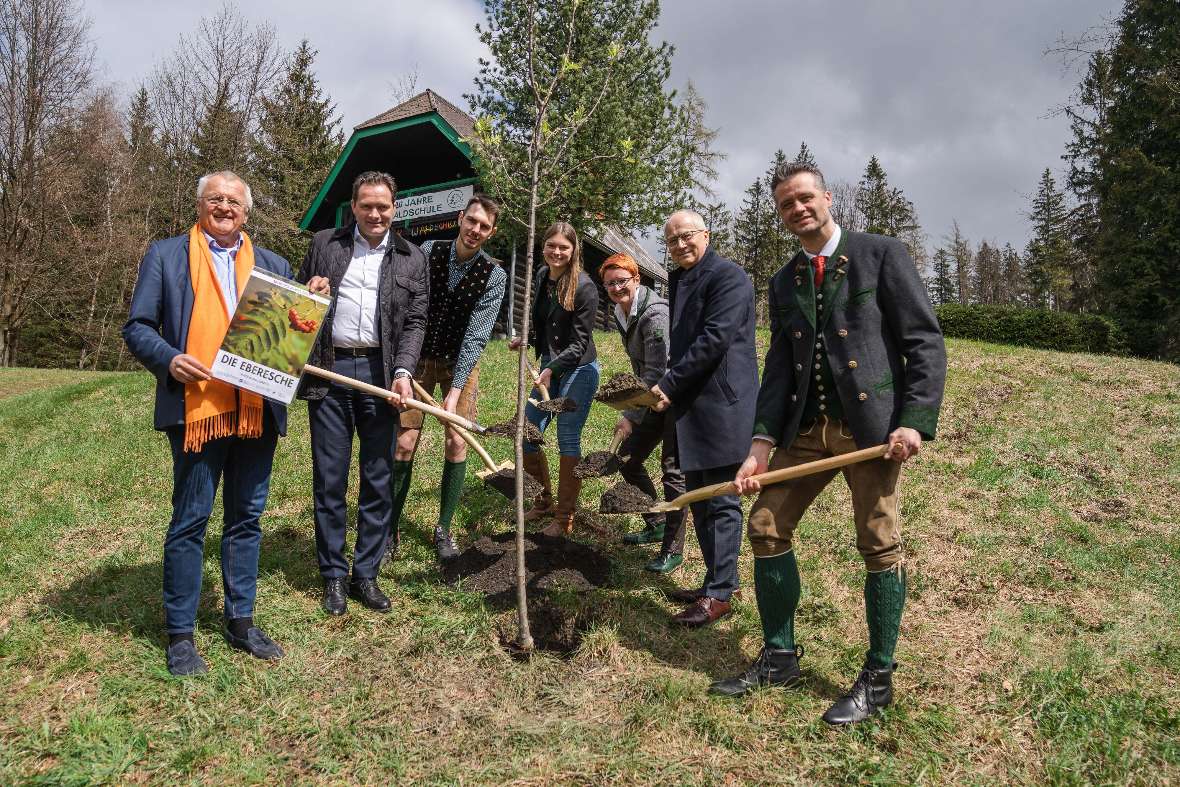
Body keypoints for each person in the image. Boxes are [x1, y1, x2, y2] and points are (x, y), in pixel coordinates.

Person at [710, 161, 946, 726]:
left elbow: (924, 341)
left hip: (871, 432)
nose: (798, 209)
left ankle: (879, 677)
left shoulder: (880, 253)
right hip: (805, 432)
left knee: (878, 542)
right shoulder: (784, 279)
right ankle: (780, 657)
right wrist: (761, 443)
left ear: (828, 198)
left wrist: (913, 419)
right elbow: (779, 370)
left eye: (805, 198)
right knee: (765, 526)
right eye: (787, 204)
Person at [124, 170, 316, 676]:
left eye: (234, 201)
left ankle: (241, 620)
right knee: (191, 520)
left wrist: (308, 299)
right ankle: (181, 635)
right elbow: (138, 326)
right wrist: (168, 358)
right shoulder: (165, 256)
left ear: (247, 212)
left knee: (247, 518)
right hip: (198, 409)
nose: (225, 207)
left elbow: (290, 334)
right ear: (200, 206)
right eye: (216, 199)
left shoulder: (275, 265)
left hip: (257, 409)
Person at [296, 171, 428, 617]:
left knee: (377, 477)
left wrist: (404, 372)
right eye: (367, 206)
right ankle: (333, 575)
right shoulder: (325, 244)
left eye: (383, 206)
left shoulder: (412, 257)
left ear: (395, 209)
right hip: (329, 369)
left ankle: (365, 573)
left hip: (381, 373)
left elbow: (415, 322)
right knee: (330, 478)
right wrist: (308, 294)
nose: (375, 214)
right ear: (353, 207)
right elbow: (295, 303)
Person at [650, 210, 759, 627]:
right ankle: (716, 581)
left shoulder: (729, 277)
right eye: (672, 240)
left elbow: (714, 338)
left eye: (687, 236)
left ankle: (720, 593)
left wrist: (670, 384)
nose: (679, 245)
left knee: (722, 498)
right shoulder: (677, 279)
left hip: (722, 401)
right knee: (698, 496)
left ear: (706, 235)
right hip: (692, 401)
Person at [390, 194, 506, 563]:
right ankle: (389, 527)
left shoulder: (494, 275)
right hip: (419, 356)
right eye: (471, 221)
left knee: (457, 440)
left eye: (484, 226)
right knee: (404, 443)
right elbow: (408, 306)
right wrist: (403, 365)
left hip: (460, 361)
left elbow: (476, 334)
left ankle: (443, 527)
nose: (475, 230)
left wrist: (454, 394)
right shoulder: (427, 252)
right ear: (460, 218)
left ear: (492, 231)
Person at [508, 222, 600, 537]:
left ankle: (564, 518)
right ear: (544, 246)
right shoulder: (541, 277)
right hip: (550, 365)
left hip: (578, 370)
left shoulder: (585, 286)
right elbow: (542, 321)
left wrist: (552, 368)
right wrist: (526, 338)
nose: (557, 252)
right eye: (551, 245)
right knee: (527, 433)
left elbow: (578, 343)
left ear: (574, 251)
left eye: (563, 247)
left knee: (567, 435)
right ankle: (544, 500)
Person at [601, 253, 688, 574]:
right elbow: (642, 369)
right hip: (651, 396)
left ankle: (673, 548)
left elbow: (658, 368)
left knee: (673, 472)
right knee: (627, 458)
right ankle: (656, 520)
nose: (616, 288)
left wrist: (630, 413)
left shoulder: (654, 315)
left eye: (622, 280)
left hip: (675, 396)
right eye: (610, 283)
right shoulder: (621, 311)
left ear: (637, 279)